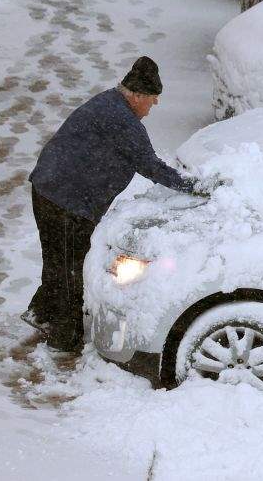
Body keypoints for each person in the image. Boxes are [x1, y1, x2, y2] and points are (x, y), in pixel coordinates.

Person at [24, 56, 196, 352]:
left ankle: (43, 313)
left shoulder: (108, 102)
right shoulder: (123, 121)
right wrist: (192, 186)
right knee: (71, 267)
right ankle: (64, 336)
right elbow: (151, 166)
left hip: (48, 189)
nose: (154, 104)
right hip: (66, 200)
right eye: (153, 98)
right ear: (138, 95)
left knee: (57, 260)